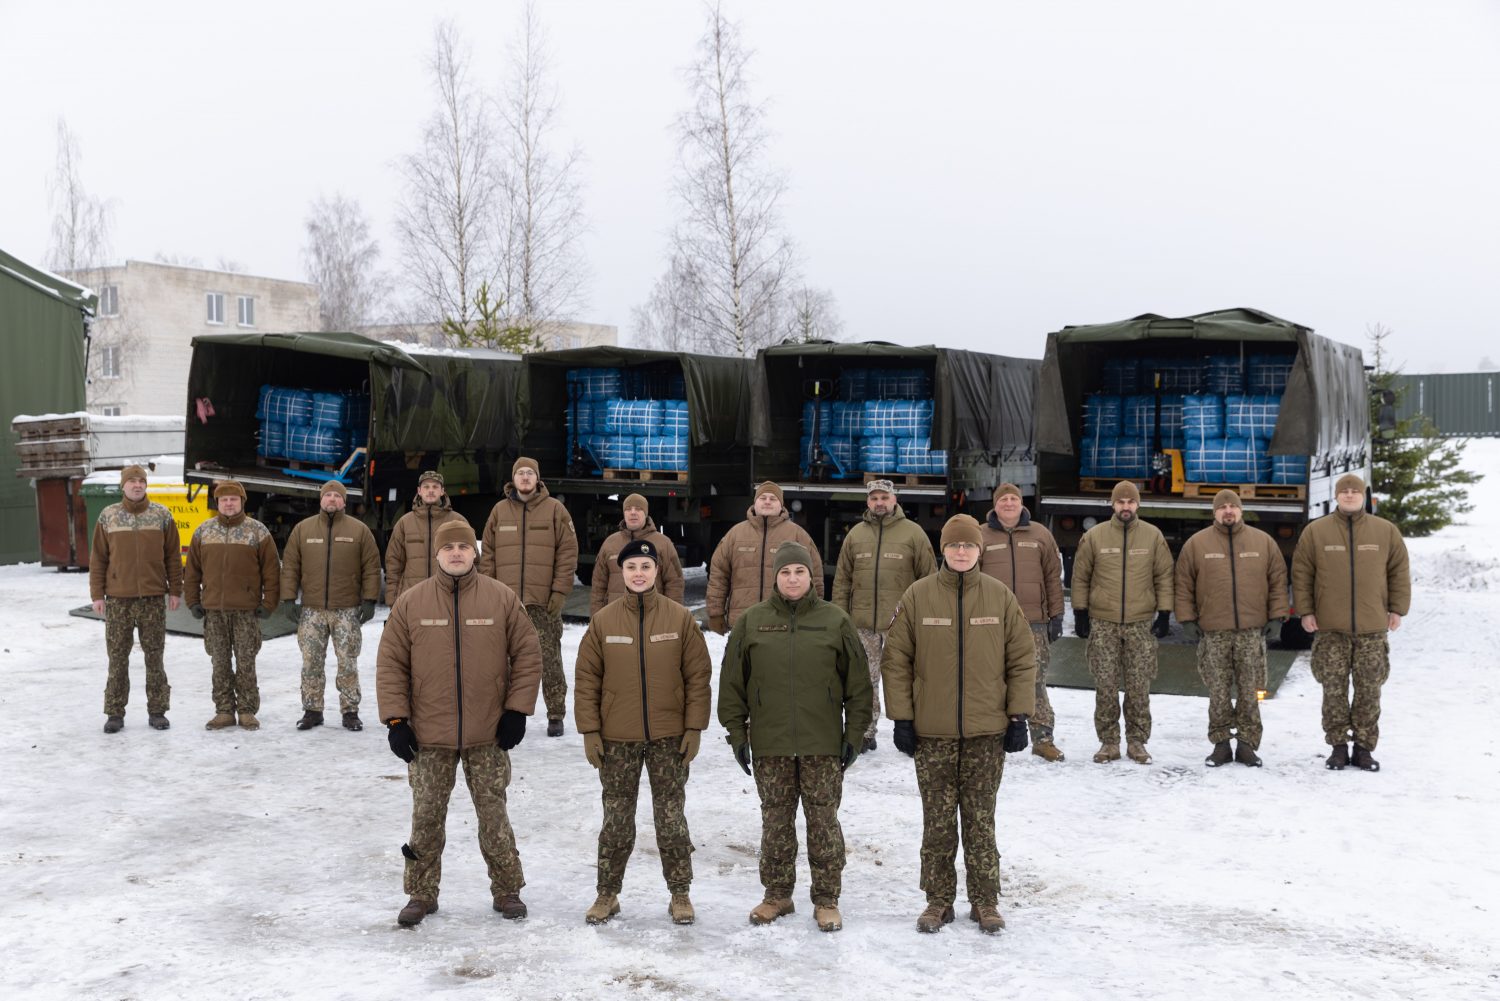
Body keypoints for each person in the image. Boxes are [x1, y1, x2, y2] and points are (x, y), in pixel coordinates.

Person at [377, 517, 543, 927]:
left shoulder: (501, 598)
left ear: (475, 553)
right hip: (428, 735)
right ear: (436, 554)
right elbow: (391, 664)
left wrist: (516, 710)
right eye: (448, 547)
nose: (456, 553)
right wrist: (396, 721)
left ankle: (508, 890)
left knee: (494, 816)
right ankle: (420, 893)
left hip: (488, 732)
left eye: (463, 547)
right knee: (426, 818)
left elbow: (528, 654)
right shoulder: (412, 602)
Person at [882, 514, 1036, 934]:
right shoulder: (918, 596)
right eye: (954, 545)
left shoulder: (999, 597)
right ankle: (938, 900)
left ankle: (985, 901)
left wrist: (1018, 715)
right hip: (932, 734)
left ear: (979, 550)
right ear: (943, 550)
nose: (962, 552)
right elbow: (896, 661)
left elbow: (1022, 659)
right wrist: (902, 718)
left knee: (980, 821)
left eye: (968, 545)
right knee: (937, 823)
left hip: (987, 733)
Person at [718, 542, 871, 933]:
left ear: (811, 576)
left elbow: (858, 686)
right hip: (771, 744)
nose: (792, 578)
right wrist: (737, 733)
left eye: (799, 571)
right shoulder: (752, 622)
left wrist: (854, 735)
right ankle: (777, 895)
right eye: (785, 572)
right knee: (776, 823)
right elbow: (732, 684)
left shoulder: (835, 621)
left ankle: (826, 899)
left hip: (822, 744)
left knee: (824, 824)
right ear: (775, 577)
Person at [574, 538, 711, 926]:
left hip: (670, 736)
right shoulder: (604, 621)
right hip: (617, 738)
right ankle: (607, 893)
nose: (638, 573)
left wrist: (694, 727)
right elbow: (586, 680)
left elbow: (698, 676)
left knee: (671, 818)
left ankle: (680, 893)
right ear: (622, 572)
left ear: (657, 571)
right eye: (631, 567)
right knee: (616, 820)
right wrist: (590, 730)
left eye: (645, 567)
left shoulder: (679, 619)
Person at [1291, 473, 1410, 772]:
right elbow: (1302, 574)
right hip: (1330, 628)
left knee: (1369, 690)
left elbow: (1398, 572)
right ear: (1336, 495)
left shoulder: (1385, 531)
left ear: (1363, 495)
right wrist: (1305, 611)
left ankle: (1364, 749)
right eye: (1343, 491)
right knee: (1333, 690)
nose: (1349, 495)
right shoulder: (1316, 531)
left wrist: (1397, 609)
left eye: (1354, 491)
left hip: (1372, 629)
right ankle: (1338, 748)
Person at [1175, 490, 1289, 767]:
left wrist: (1277, 617)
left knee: (1251, 691)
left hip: (1251, 630)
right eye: (1222, 507)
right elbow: (1183, 584)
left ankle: (1247, 744)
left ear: (1241, 510)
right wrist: (1187, 619)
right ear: (1214, 512)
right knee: (1218, 691)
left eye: (1233, 506)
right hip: (1214, 631)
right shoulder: (1196, 544)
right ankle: (1221, 744)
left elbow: (1277, 581)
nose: (1228, 511)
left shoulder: (1263, 542)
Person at [1071, 480, 1174, 765]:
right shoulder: (1095, 536)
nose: (1125, 507)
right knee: (1105, 685)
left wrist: (1165, 612)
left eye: (1130, 502)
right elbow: (1080, 576)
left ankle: (1137, 741)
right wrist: (1080, 612)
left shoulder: (1153, 536)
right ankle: (1109, 741)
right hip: (1103, 622)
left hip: (1140, 623)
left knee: (1139, 685)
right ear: (1112, 504)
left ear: (1137, 504)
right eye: (1120, 502)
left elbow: (1164, 576)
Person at [831, 478, 937, 753]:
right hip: (863, 625)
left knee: (906, 678)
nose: (879, 503)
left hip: (901, 625)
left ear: (894, 500)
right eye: (874, 498)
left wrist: (926, 619)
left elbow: (929, 579)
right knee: (864, 681)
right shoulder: (855, 535)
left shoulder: (913, 534)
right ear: (868, 502)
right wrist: (840, 618)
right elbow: (842, 580)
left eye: (884, 498)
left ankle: (914, 731)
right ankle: (865, 733)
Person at [478, 457, 578, 737]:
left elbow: (568, 552)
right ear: (513, 478)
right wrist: (489, 591)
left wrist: (559, 591)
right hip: (507, 605)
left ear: (537, 478)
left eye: (529, 473)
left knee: (549, 660)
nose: (525, 477)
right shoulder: (499, 511)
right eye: (520, 473)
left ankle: (555, 714)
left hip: (542, 603)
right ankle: (504, 713)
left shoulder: (555, 510)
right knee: (502, 662)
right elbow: (488, 554)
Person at [280, 480, 382, 732]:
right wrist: (289, 599)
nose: (332, 499)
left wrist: (369, 600)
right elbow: (290, 566)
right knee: (311, 662)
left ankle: (350, 712)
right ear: (321, 500)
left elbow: (371, 567)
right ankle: (312, 710)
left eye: (337, 496)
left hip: (346, 609)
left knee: (348, 662)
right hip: (312, 610)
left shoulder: (359, 530)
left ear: (344, 501)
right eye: (328, 495)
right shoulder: (303, 529)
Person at [89, 464, 183, 733]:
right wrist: (97, 594)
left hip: (152, 599)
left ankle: (158, 711)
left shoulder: (162, 515)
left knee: (155, 657)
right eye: (132, 481)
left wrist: (175, 590)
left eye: (141, 481)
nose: (137, 485)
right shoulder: (109, 516)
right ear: (123, 485)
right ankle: (114, 713)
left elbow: (173, 557)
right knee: (117, 658)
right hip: (118, 599)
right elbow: (98, 559)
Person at [978, 482, 1067, 762]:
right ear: (995, 505)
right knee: (990, 679)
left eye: (1013, 499)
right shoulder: (980, 535)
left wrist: (1056, 615)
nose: (1008, 504)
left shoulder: (1040, 534)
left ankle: (1043, 739)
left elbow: (1053, 577)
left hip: (1033, 622)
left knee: (1034, 680)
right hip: (991, 623)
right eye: (1003, 499)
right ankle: (991, 736)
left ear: (1021, 503)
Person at [184, 480, 280, 731]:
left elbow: (272, 571)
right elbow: (192, 571)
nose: (229, 503)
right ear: (217, 503)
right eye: (224, 500)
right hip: (214, 611)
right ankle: (224, 710)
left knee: (246, 661)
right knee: (220, 662)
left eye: (233, 499)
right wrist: (193, 601)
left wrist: (268, 603)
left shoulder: (257, 531)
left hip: (247, 610)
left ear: (242, 502)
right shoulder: (203, 531)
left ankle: (247, 710)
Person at [706, 481, 823, 634]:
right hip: (743, 623)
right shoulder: (735, 535)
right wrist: (715, 613)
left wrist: (814, 613)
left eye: (773, 499)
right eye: (763, 498)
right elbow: (718, 576)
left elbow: (815, 577)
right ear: (755, 503)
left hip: (784, 625)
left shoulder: (798, 535)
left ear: (781, 505)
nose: (767, 502)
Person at [589, 493, 686, 615]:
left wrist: (672, 618)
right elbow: (598, 586)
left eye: (638, 509)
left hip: (652, 618)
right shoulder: (610, 543)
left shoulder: (663, 544)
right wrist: (596, 619)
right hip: (616, 618)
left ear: (646, 513)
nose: (633, 513)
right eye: (628, 509)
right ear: (624, 513)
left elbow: (675, 583)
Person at [385, 470, 463, 603]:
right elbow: (394, 563)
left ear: (442, 491)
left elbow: (472, 562)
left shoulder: (457, 522)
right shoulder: (404, 523)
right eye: (426, 487)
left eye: (435, 487)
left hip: (448, 599)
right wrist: (392, 599)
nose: (430, 490)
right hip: (412, 599)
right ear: (419, 491)